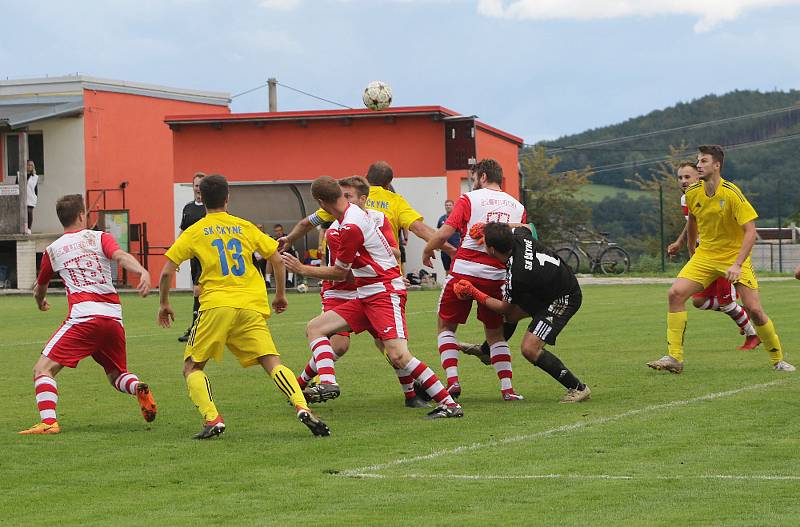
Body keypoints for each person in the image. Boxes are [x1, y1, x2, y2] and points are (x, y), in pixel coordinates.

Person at [157, 174, 330, 439]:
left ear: (201, 198)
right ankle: (301, 406)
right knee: (272, 362)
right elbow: (277, 258)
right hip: (250, 305)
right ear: (228, 198)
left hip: (216, 305)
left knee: (192, 367)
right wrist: (280, 295)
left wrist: (164, 303)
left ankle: (212, 419)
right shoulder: (245, 227)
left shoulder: (195, 231)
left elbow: (167, 271)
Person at [282, 176, 463, 419]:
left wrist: (302, 269)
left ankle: (450, 404)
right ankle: (327, 382)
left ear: (321, 202)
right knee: (315, 327)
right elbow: (310, 224)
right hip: (367, 293)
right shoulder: (350, 217)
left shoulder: (349, 226)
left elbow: (340, 272)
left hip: (384, 292)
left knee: (398, 354)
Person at [648, 145, 795, 373]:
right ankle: (675, 358)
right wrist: (690, 252)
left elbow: (750, 230)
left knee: (754, 309)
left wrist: (737, 264)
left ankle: (778, 359)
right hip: (706, 255)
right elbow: (693, 222)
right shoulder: (692, 193)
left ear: (716, 165)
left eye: (704, 161)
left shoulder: (732, 193)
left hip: (733, 257)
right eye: (698, 161)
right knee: (675, 294)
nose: (699, 165)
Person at [19, 194, 157, 435]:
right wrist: (142, 271)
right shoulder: (100, 237)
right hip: (113, 318)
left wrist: (41, 302)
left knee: (42, 369)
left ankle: (49, 422)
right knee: (116, 375)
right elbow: (121, 257)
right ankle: (136, 387)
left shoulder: (53, 250)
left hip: (83, 318)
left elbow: (39, 288)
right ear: (82, 215)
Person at [422, 159, 527, 401]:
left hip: (465, 271)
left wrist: (428, 250)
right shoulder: (517, 206)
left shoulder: (469, 199)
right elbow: (523, 237)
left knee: (446, 326)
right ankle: (508, 389)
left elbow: (445, 233)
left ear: (481, 176)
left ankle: (453, 382)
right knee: (495, 333)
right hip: (497, 276)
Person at [453, 222, 591, 402]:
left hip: (563, 298)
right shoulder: (518, 236)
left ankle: (578, 388)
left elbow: (504, 306)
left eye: (484, 243)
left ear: (492, 250)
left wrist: (474, 293)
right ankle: (487, 351)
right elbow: (527, 226)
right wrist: (488, 227)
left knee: (530, 349)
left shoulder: (518, 275)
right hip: (547, 288)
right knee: (510, 318)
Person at [277, 161, 456, 261]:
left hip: (353, 272)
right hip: (387, 272)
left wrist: (289, 239)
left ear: (366, 177)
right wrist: (450, 250)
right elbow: (419, 229)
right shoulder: (395, 201)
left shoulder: (344, 198)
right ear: (388, 184)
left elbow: (307, 223)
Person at [667, 161, 759, 350]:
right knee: (698, 301)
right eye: (680, 177)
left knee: (726, 303)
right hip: (705, 256)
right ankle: (743, 314)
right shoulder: (688, 198)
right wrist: (681, 243)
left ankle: (752, 334)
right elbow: (692, 223)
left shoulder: (719, 193)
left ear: (699, 176)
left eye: (687, 177)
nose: (683, 181)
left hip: (723, 256)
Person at [178, 172, 206, 343]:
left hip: (207, 257)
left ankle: (197, 328)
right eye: (196, 185)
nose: (198, 188)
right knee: (197, 292)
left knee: (199, 290)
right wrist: (176, 252)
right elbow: (183, 232)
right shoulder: (188, 208)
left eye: (201, 185)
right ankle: (197, 327)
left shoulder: (211, 207)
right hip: (193, 257)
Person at [437, 199, 461, 273]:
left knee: (456, 268)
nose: (448, 206)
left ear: (453, 206)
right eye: (446, 205)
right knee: (447, 269)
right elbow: (438, 233)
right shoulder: (441, 219)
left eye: (450, 205)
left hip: (455, 247)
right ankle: (447, 283)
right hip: (444, 248)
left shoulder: (457, 218)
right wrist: (436, 245)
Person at [23, 160, 39, 234]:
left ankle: (29, 229)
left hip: (31, 198)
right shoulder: (20, 174)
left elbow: (36, 190)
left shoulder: (35, 177)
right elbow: (16, 185)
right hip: (22, 198)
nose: (29, 166)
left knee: (29, 212)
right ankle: (23, 229)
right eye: (28, 165)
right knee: (23, 214)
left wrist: (36, 198)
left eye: (31, 165)